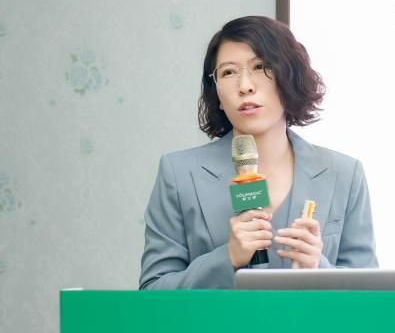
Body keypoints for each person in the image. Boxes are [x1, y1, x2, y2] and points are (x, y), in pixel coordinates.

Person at [139, 16, 377, 289]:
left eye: (261, 67)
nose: (245, 86)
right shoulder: (179, 173)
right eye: (229, 72)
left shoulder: (344, 173)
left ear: (289, 77)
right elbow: (152, 291)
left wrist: (317, 268)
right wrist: (227, 258)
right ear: (217, 94)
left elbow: (370, 296)